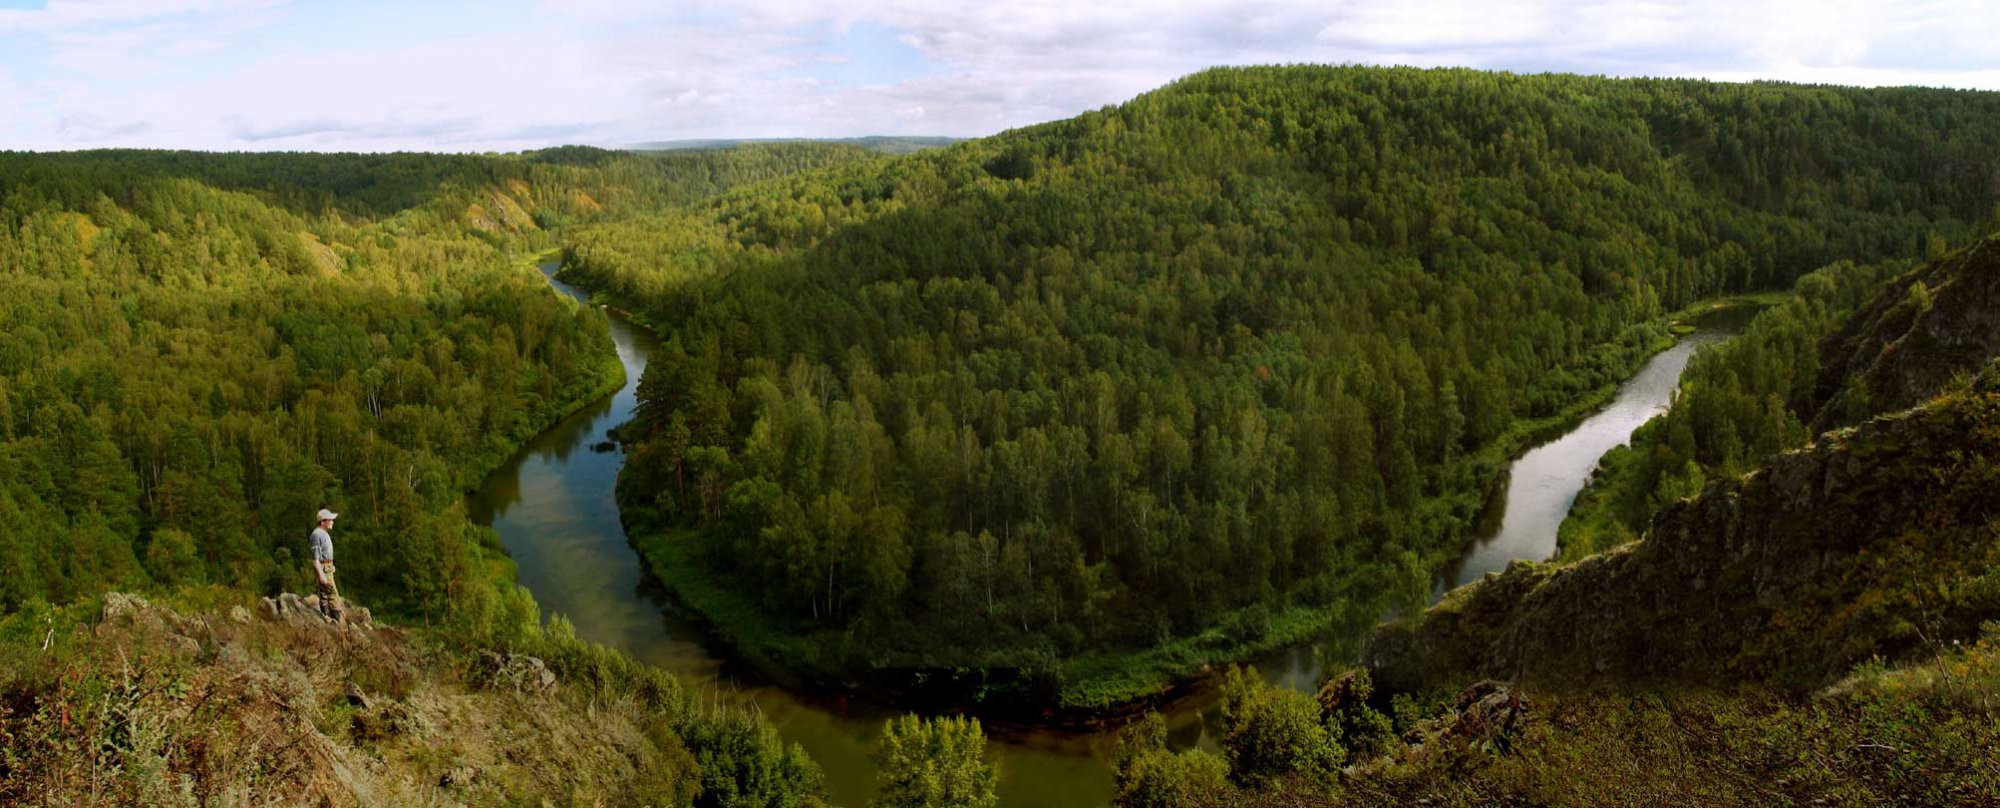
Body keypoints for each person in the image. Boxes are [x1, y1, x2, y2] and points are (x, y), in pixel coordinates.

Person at [310, 508, 342, 621]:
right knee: (333, 594)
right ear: (323, 522)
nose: (332, 521)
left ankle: (326, 619)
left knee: (324, 594)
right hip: (324, 568)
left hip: (327, 566)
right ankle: (337, 623)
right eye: (330, 519)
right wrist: (321, 574)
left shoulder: (322, 533)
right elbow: (315, 558)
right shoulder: (317, 535)